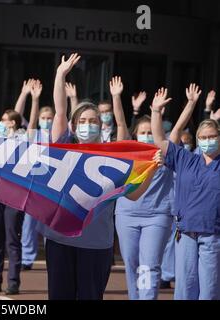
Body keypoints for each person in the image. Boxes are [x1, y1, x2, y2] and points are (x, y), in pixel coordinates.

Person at [38, 53, 161, 300]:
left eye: (93, 120)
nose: (88, 125)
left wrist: (152, 170)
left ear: (101, 125)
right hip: (60, 241)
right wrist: (61, 75)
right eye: (82, 120)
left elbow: (135, 194)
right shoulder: (63, 147)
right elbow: (60, 111)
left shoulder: (113, 156)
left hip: (96, 246)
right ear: (73, 126)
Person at [115, 83, 202, 299]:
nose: (146, 136)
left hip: (158, 216)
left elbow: (178, 128)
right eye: (142, 133)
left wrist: (191, 103)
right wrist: (117, 97)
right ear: (135, 135)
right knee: (132, 264)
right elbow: (120, 122)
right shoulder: (129, 151)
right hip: (126, 215)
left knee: (150, 265)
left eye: (149, 132)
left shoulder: (163, 150)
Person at [0, 76, 44, 295]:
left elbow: (31, 121)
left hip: (14, 198)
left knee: (13, 241)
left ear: (15, 123)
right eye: (1, 120)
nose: (3, 123)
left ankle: (13, 282)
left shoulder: (24, 138)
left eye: (7, 120)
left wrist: (35, 99)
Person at [150, 87, 220, 300]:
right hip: (186, 233)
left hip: (213, 235)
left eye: (212, 136)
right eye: (203, 137)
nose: (208, 140)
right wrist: (155, 111)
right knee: (184, 290)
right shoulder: (186, 159)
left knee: (209, 290)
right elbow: (161, 141)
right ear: (197, 140)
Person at [15, 81, 53, 270]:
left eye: (49, 117)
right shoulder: (33, 134)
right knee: (28, 224)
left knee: (51, 224)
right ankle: (27, 258)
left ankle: (53, 256)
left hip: (53, 185)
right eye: (43, 117)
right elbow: (17, 116)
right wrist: (29, 97)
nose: (47, 120)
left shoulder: (58, 135)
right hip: (33, 184)